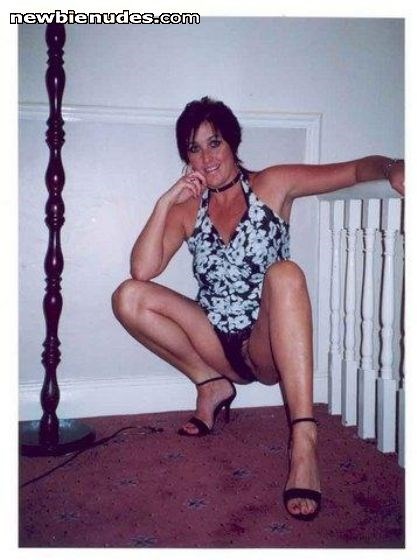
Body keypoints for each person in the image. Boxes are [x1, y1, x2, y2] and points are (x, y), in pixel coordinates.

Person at [111, 96, 404, 521]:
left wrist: (393, 167)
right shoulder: (187, 211)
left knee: (285, 273)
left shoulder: (273, 184)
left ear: (232, 142)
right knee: (128, 296)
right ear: (186, 158)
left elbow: (357, 170)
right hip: (213, 340)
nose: (207, 157)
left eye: (214, 143)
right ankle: (211, 384)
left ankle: (303, 441)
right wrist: (165, 202)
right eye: (194, 148)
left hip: (264, 343)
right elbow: (142, 270)